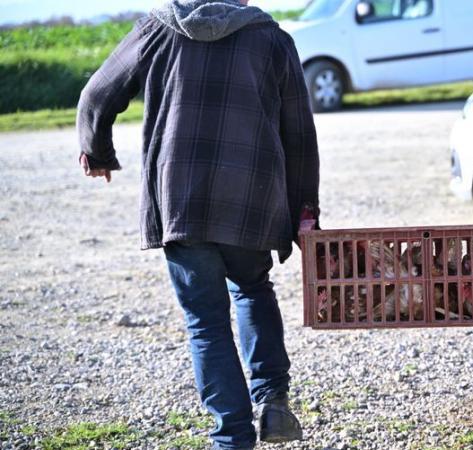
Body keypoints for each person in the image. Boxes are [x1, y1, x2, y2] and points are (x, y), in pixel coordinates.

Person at [76, 0, 320, 449]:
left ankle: (231, 438)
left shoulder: (157, 29)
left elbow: (96, 94)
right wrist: (305, 209)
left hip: (180, 201)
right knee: (251, 287)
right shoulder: (270, 38)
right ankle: (272, 400)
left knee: (205, 323)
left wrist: (97, 151)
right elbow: (299, 131)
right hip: (251, 197)